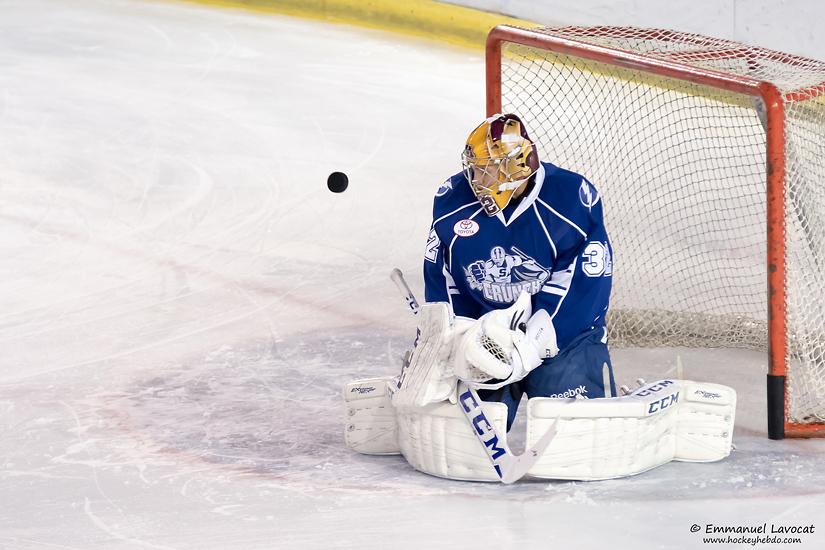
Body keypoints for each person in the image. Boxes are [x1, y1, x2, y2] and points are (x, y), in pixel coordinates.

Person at [423, 113, 616, 430]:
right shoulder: (453, 201)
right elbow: (442, 275)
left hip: (561, 339)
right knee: (462, 436)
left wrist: (532, 344)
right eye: (473, 171)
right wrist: (458, 336)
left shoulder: (571, 199)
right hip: (484, 337)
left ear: (517, 167)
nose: (476, 181)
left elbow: (582, 287)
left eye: (486, 172)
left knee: (579, 436)